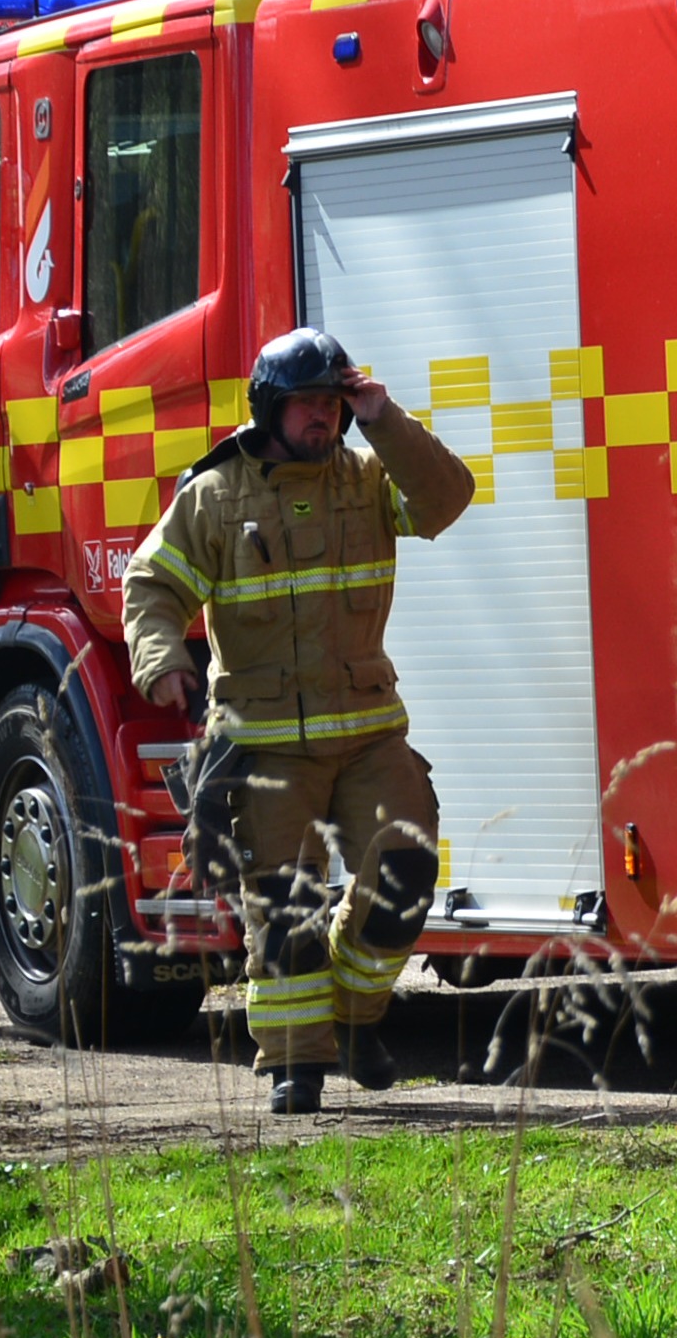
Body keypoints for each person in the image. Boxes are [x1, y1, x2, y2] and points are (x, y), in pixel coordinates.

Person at [121, 327, 476, 1112]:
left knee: (406, 869)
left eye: (330, 403)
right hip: (263, 746)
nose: (322, 416)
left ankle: (354, 1016)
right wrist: (164, 661)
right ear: (269, 408)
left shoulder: (370, 477)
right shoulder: (216, 496)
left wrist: (382, 417)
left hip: (367, 731)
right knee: (285, 911)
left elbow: (447, 500)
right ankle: (296, 1067)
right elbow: (151, 587)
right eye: (306, 404)